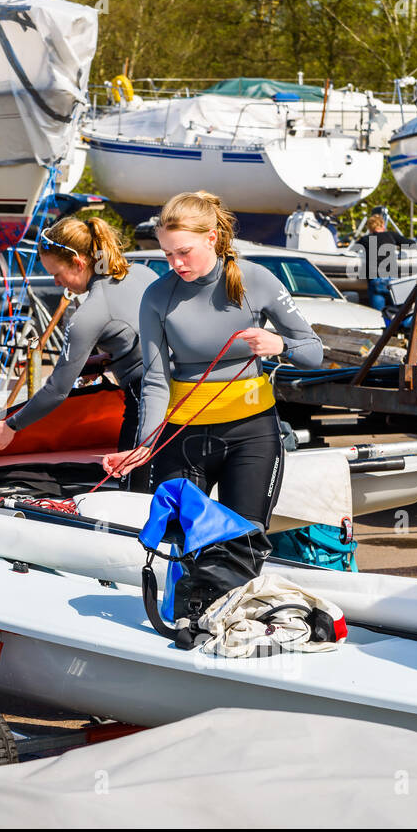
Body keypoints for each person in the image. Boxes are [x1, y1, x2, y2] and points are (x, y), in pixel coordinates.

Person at [104, 191, 322, 569]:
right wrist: (143, 447)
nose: (175, 263)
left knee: (243, 546)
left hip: (252, 434)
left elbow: (314, 351)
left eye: (183, 252)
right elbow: (156, 381)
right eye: (167, 254)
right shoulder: (157, 296)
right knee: (181, 548)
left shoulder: (257, 280)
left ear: (212, 239)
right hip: (185, 437)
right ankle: (182, 621)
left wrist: (279, 343)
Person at [0, 217, 158, 488]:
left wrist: (10, 426)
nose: (56, 282)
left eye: (57, 274)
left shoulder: (90, 312)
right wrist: (107, 361)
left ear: (79, 263)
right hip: (182, 395)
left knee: (133, 494)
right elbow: (144, 338)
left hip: (144, 402)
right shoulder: (143, 274)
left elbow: (56, 390)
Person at [353, 212, 414, 313]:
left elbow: (353, 249)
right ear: (382, 225)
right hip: (392, 280)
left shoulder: (365, 239)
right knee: (398, 315)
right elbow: (411, 244)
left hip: (376, 280)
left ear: (370, 228)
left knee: (378, 316)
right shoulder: (391, 235)